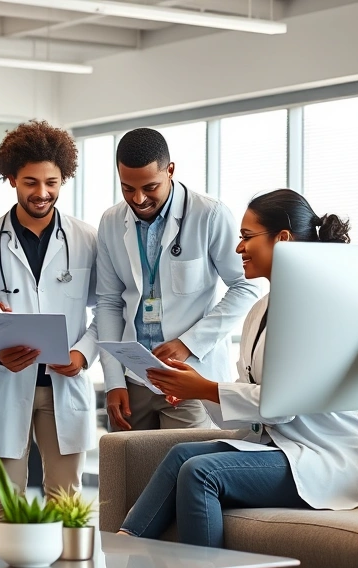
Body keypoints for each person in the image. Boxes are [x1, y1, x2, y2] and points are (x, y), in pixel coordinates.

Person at [117, 189, 358, 548]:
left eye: (247, 237)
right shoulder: (260, 310)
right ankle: (120, 549)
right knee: (181, 454)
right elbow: (249, 408)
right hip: (282, 447)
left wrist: (203, 388)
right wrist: (195, 387)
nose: (239, 248)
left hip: (328, 460)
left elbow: (282, 406)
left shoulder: (321, 307)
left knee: (201, 473)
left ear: (282, 239)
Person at [0, 120, 98, 524]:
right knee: (8, 502)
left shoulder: (86, 239)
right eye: (30, 182)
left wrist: (82, 355)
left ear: (64, 178)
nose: (42, 193)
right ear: (11, 179)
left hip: (64, 383)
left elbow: (107, 311)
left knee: (67, 501)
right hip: (5, 383)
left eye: (51, 182)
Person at [95, 127, 258, 432]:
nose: (139, 198)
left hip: (190, 376)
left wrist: (188, 343)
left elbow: (247, 285)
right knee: (128, 474)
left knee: (183, 470)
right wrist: (113, 381)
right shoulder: (111, 221)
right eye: (127, 188)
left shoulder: (209, 215)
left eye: (150, 186)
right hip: (133, 378)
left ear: (170, 170)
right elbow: (107, 302)